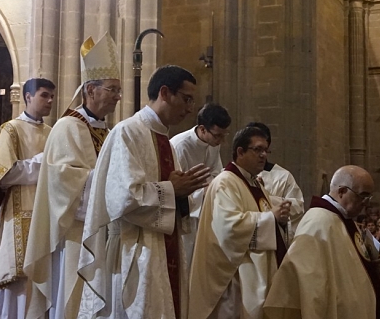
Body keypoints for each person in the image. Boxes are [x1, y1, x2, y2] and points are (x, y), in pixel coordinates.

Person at [78, 65, 210, 318]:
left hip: (162, 249)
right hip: (135, 251)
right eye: (186, 99)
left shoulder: (165, 141)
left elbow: (173, 198)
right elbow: (122, 199)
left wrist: (182, 194)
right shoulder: (128, 132)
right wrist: (172, 189)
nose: (190, 108)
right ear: (165, 93)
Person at [23, 33, 122, 319]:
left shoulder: (108, 131)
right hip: (76, 238)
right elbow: (63, 186)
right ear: (91, 90)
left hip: (105, 234)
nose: (118, 96)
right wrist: (115, 184)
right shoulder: (67, 127)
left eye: (119, 90)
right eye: (112, 89)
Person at [188, 127, 290, 319]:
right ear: (240, 151)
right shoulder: (225, 182)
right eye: (258, 150)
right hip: (234, 278)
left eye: (266, 151)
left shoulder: (254, 183)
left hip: (255, 272)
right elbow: (228, 228)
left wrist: (280, 220)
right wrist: (271, 218)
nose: (263, 156)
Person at [264, 165, 380, 319]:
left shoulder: (345, 220)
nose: (366, 203)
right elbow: (307, 282)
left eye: (369, 198)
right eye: (363, 196)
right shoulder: (318, 222)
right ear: (342, 191)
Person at [0, 78, 55, 319]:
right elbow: (3, 175)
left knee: (43, 276)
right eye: (44, 95)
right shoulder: (10, 129)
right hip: (17, 215)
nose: (50, 101)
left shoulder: (53, 133)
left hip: (47, 215)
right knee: (17, 280)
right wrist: (43, 163)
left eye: (52, 96)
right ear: (28, 97)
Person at [170, 102, 231, 266]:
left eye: (224, 135)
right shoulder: (180, 146)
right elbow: (174, 187)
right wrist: (203, 190)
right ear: (203, 129)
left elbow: (215, 172)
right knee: (188, 260)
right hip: (185, 214)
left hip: (205, 209)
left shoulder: (212, 145)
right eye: (218, 135)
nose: (221, 141)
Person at [246, 122, 304, 244]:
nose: (260, 154)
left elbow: (297, 208)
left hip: (273, 240)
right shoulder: (230, 175)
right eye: (256, 149)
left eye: (263, 149)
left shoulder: (283, 176)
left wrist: (265, 197)